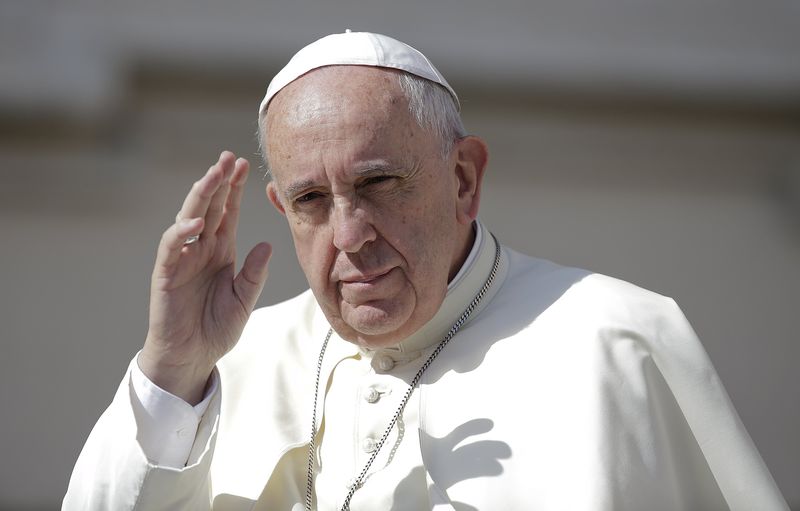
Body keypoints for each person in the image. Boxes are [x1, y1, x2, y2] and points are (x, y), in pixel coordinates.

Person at [63, 31, 788, 511]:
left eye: (379, 184)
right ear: (281, 208)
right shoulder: (225, 368)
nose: (349, 234)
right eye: (313, 200)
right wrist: (171, 369)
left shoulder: (615, 339)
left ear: (464, 179)